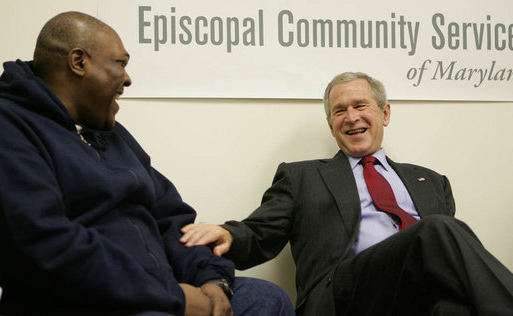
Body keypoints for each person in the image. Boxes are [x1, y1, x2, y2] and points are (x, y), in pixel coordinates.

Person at [0, 11, 295, 316]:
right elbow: (42, 245)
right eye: (121, 63)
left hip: (158, 293)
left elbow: (171, 220)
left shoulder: (112, 133)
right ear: (79, 62)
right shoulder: (10, 126)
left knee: (266, 299)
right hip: (82, 301)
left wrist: (211, 280)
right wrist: (172, 296)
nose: (127, 78)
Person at [180, 72, 513, 315]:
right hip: (345, 295)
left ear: (384, 113)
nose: (351, 117)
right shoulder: (303, 176)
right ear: (331, 124)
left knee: (453, 308)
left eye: (360, 106)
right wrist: (227, 232)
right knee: (438, 228)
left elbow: (449, 257)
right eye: (339, 111)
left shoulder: (431, 180)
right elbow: (260, 232)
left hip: (413, 291)